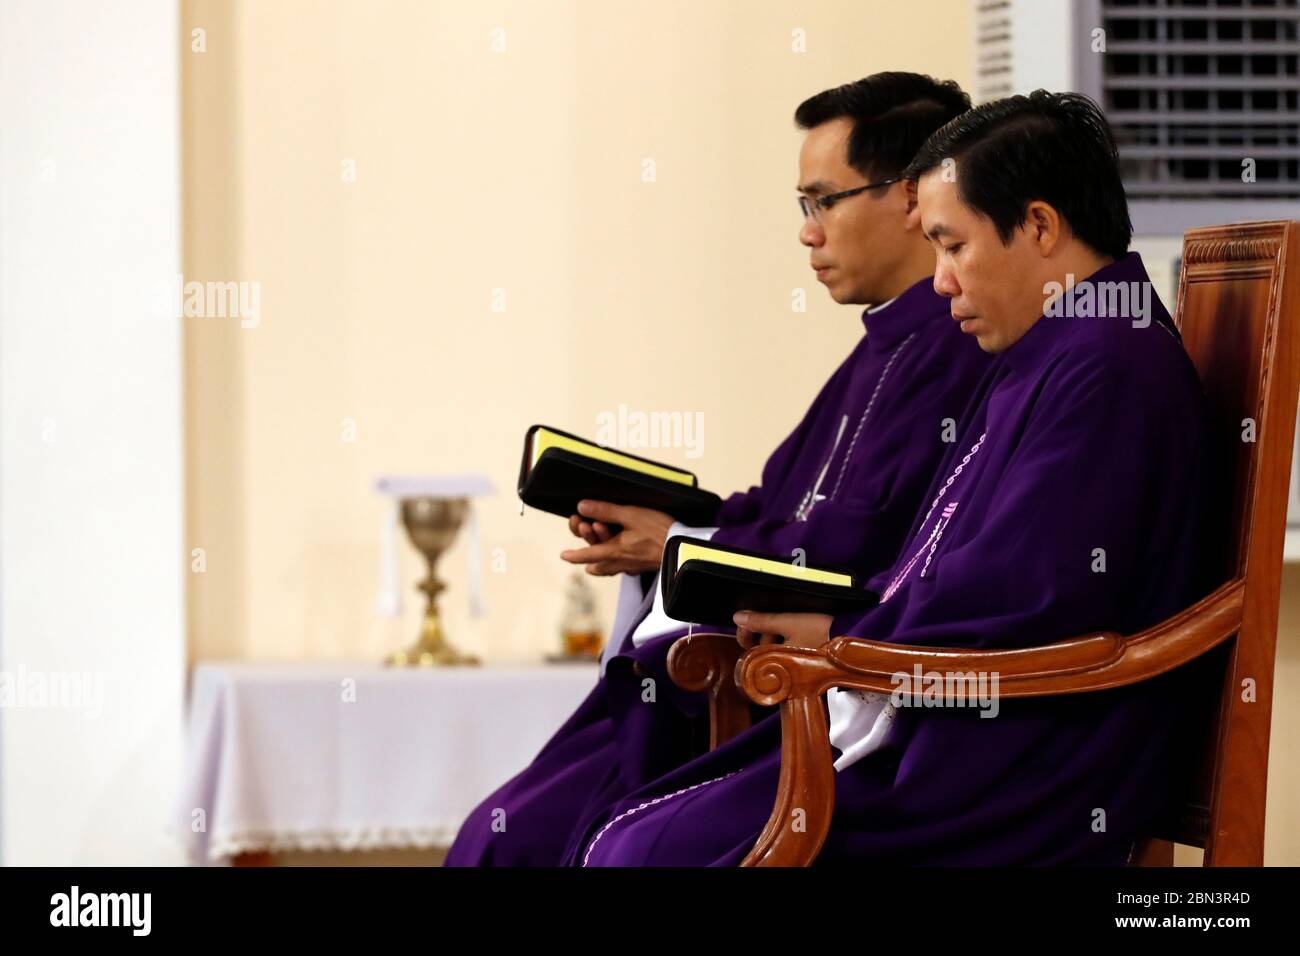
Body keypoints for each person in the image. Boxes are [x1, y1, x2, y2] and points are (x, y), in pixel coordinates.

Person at [568, 90, 1211, 867]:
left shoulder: (1108, 369)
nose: (939, 282)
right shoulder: (1059, 349)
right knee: (626, 834)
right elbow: (959, 574)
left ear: (1040, 226)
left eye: (953, 245)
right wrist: (848, 630)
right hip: (960, 727)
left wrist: (846, 641)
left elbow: (1031, 605)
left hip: (1018, 775)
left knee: (639, 853)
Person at [446, 73, 991, 866]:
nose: (807, 232)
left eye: (821, 201)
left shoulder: (955, 351)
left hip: (796, 696)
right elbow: (779, 504)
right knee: (499, 832)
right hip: (756, 674)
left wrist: (680, 545)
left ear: (909, 197)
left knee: (529, 840)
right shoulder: (883, 346)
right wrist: (671, 525)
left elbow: (855, 553)